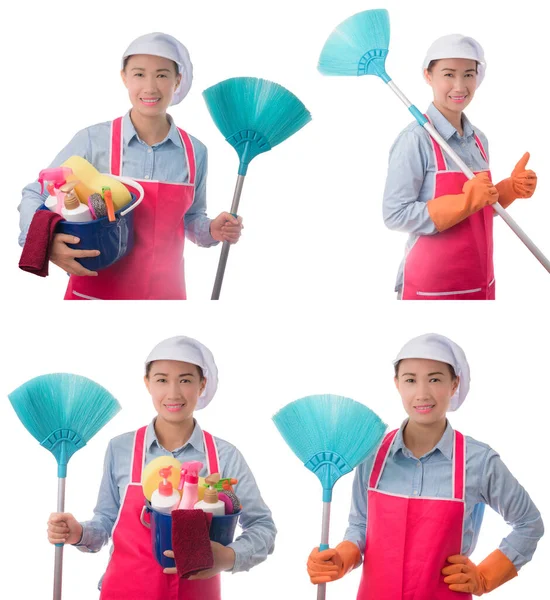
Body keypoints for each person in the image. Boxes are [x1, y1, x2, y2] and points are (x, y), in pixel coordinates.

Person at [307, 333, 543, 598]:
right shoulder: (372, 455)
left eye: (435, 379)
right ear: (397, 384)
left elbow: (529, 523)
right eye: (410, 380)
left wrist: (484, 577)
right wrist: (340, 559)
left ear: (454, 385)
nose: (422, 394)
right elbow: (361, 526)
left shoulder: (479, 461)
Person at [47, 335, 276, 598]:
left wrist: (228, 557)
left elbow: (262, 526)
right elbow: (107, 522)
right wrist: (79, 533)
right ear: (147, 384)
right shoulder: (120, 448)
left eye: (186, 380)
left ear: (202, 385)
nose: (174, 393)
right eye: (162, 379)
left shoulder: (225, 456)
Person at [18, 33, 243, 299]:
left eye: (161, 75)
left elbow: (191, 218)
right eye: (139, 74)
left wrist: (212, 230)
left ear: (177, 80)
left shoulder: (196, 152)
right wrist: (46, 243)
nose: (150, 87)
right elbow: (37, 193)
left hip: (165, 298)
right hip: (93, 297)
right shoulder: (93, 140)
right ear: (124, 77)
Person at [382, 35, 538, 300]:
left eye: (468, 74)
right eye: (448, 74)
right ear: (428, 76)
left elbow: (480, 208)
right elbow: (395, 214)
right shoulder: (416, 139)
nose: (459, 86)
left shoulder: (479, 139)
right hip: (431, 287)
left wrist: (509, 188)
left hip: (480, 281)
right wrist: (464, 201)